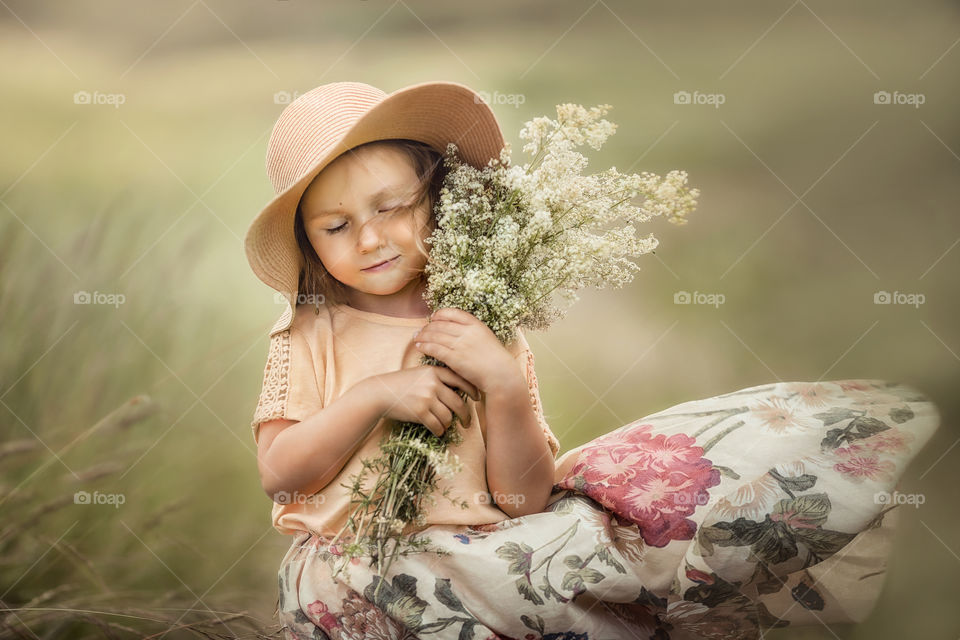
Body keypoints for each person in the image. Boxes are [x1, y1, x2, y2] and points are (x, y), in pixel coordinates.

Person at [245, 81, 941, 640]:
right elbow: (281, 474)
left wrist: (502, 384)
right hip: (348, 576)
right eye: (336, 227)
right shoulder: (310, 332)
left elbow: (522, 500)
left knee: (627, 545)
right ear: (310, 245)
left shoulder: (483, 321)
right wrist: (374, 396)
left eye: (393, 207)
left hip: (477, 563)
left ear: (439, 201)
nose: (369, 237)